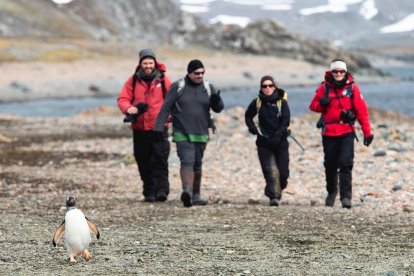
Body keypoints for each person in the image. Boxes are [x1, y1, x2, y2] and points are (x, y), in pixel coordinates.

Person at [153, 59, 224, 207]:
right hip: (182, 131)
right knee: (187, 160)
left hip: (202, 132)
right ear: (189, 73)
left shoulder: (208, 87)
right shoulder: (178, 87)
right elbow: (166, 108)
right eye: (197, 73)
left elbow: (218, 109)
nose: (200, 75)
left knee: (197, 164)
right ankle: (187, 191)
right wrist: (158, 128)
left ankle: (196, 195)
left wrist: (217, 100)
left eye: (202, 73)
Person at [309, 59, 374, 209]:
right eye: (335, 71)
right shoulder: (324, 88)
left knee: (346, 163)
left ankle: (346, 197)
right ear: (331, 72)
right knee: (330, 165)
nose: (338, 74)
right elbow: (313, 106)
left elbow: (362, 111)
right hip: (329, 132)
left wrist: (367, 133)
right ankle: (332, 192)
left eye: (341, 71)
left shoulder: (353, 88)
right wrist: (322, 104)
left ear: (345, 72)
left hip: (346, 131)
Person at [117, 49, 172, 203]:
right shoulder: (133, 80)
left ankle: (162, 190)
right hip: (140, 128)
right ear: (140, 63)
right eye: (145, 63)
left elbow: (173, 99)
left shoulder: (163, 79)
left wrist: (169, 117)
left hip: (159, 127)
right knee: (143, 160)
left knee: (160, 159)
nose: (148, 66)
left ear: (155, 63)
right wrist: (128, 108)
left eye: (150, 63)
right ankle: (149, 192)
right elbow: (123, 98)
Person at [245, 76, 290, 206]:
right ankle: (273, 197)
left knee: (283, 174)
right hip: (263, 142)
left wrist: (279, 134)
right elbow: (248, 116)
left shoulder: (282, 102)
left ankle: (275, 189)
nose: (267, 88)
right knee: (270, 171)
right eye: (264, 86)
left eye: (270, 85)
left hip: (280, 141)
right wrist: (253, 128)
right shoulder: (257, 102)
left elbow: (286, 120)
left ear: (274, 87)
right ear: (261, 88)